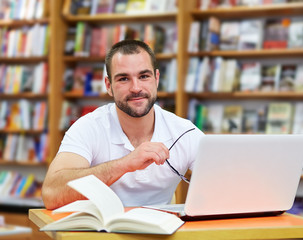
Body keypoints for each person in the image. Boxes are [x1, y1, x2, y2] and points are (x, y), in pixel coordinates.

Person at [42, 39, 204, 210]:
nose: (136, 88)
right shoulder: (88, 127)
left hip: (163, 232)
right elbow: (52, 194)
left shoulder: (185, 132)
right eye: (124, 79)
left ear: (156, 79)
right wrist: (125, 164)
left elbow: (227, 187)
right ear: (108, 86)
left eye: (143, 76)